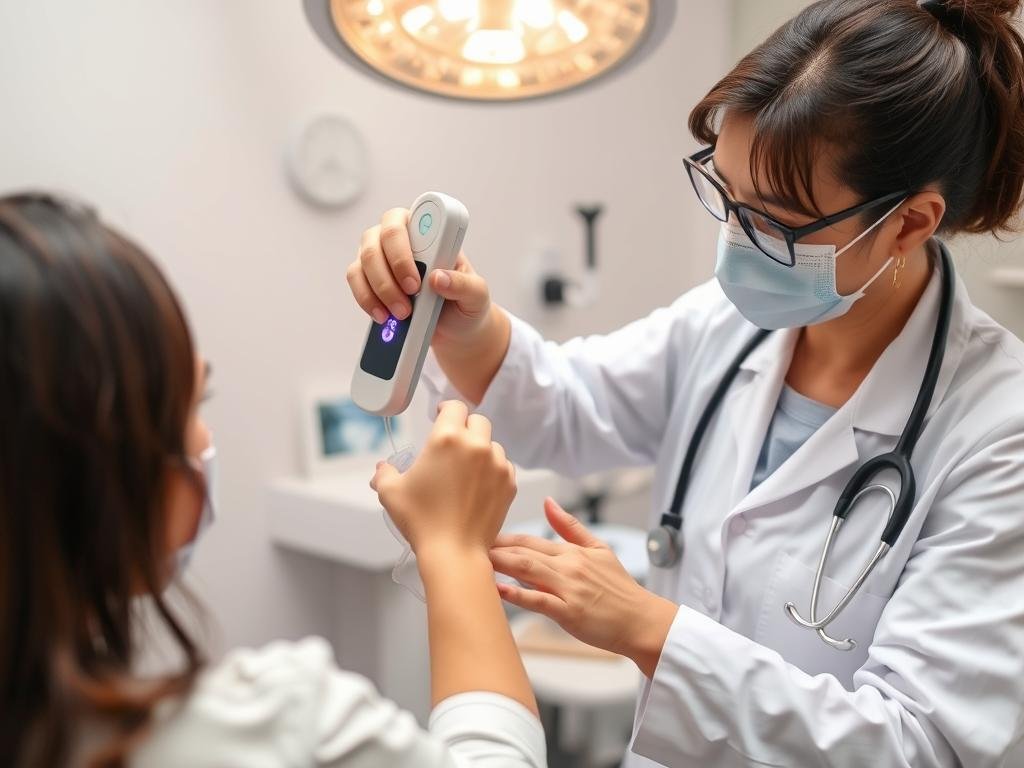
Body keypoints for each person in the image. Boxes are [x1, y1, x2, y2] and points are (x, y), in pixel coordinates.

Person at [347, 0, 1024, 764]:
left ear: (907, 223)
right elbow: (573, 407)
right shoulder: (726, 326)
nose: (735, 239)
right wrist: (469, 326)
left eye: (774, 221)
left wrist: (647, 627)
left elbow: (923, 746)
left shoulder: (1000, 430)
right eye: (725, 194)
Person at [0, 193, 545, 767]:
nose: (206, 440)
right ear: (132, 474)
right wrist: (454, 551)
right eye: (195, 403)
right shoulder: (281, 728)